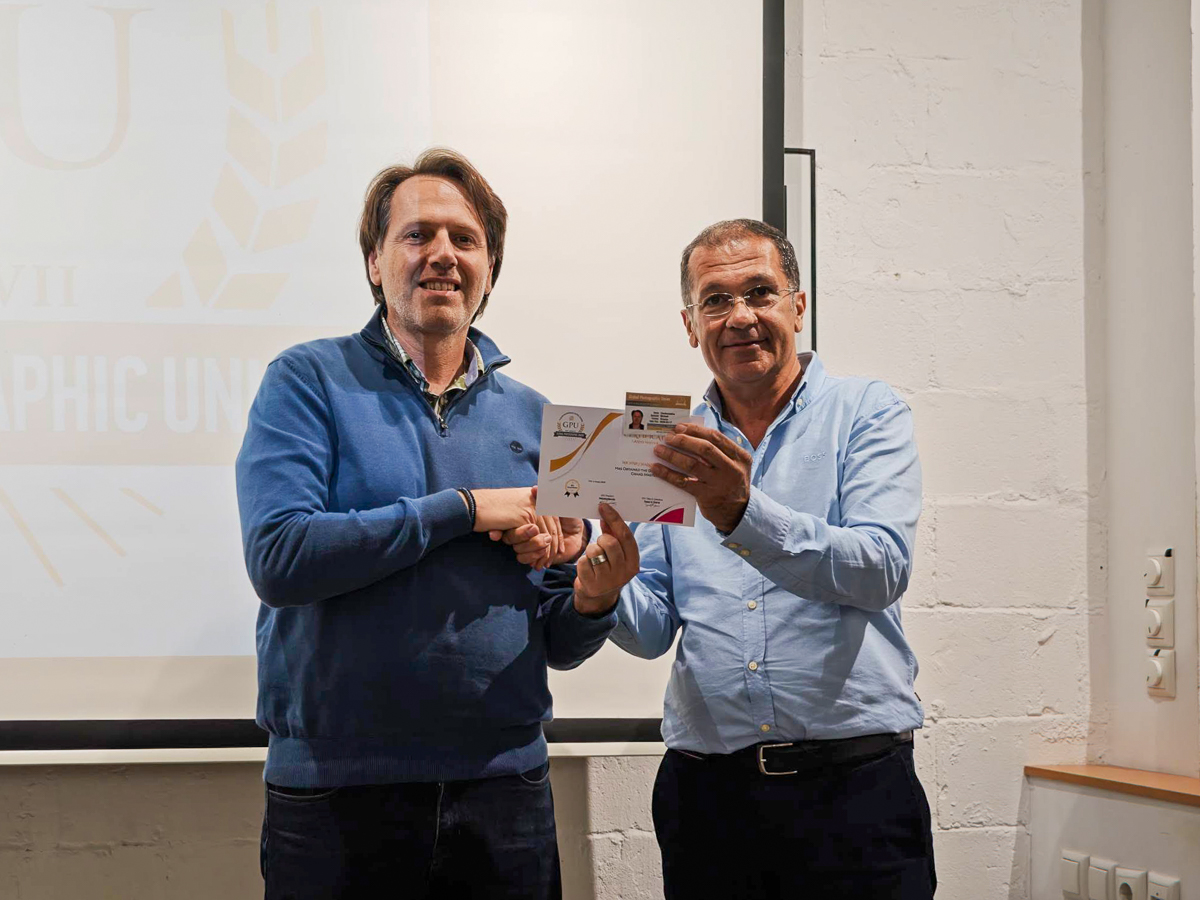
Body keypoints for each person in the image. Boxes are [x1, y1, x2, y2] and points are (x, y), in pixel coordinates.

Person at [235, 148, 639, 900]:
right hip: (335, 793)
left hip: (508, 792)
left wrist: (593, 594)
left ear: (489, 267)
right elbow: (280, 557)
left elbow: (558, 641)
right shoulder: (306, 379)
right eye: (418, 235)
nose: (443, 254)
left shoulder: (540, 417)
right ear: (374, 261)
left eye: (466, 239)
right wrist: (466, 509)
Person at [609, 219, 935, 898]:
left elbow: (881, 568)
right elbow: (651, 629)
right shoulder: (662, 444)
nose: (740, 317)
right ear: (690, 325)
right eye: (715, 300)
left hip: (855, 797)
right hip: (707, 803)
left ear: (798, 305)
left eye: (760, 292)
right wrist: (597, 585)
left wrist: (741, 512)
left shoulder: (866, 412)